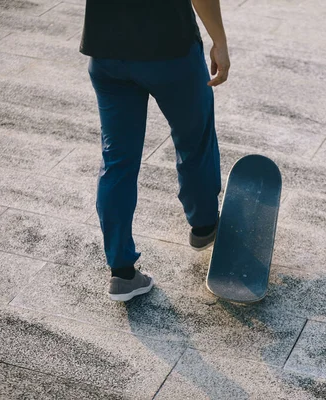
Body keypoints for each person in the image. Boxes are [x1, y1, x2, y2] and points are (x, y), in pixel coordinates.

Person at [79, 0, 230, 302]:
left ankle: (121, 273)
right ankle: (203, 225)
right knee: (194, 140)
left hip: (106, 51)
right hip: (170, 50)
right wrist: (220, 42)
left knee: (117, 160)